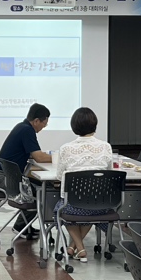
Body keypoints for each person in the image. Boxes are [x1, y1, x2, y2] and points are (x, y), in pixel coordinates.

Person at [53, 107, 114, 261]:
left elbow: (60, 177)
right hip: (100, 204)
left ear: (74, 126)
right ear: (95, 125)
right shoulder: (106, 146)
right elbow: (109, 173)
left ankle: (78, 248)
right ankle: (76, 247)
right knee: (89, 210)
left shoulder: (66, 148)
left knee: (62, 209)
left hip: (74, 204)